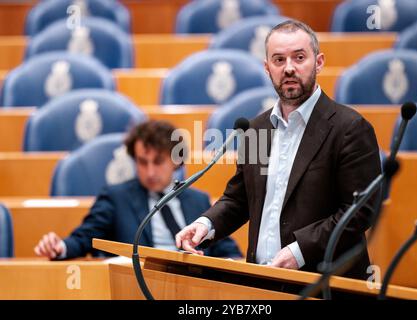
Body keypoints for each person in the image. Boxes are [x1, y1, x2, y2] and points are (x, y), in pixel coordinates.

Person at [176, 20, 381, 280]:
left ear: (318, 62)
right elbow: (239, 200)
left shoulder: (350, 128)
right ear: (267, 68)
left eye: (299, 57)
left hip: (324, 283)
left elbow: (360, 211)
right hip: (262, 281)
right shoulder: (256, 129)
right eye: (279, 60)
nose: (289, 68)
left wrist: (299, 251)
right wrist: (205, 225)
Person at [34, 120, 242, 260]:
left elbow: (227, 251)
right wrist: (59, 247)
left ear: (176, 161)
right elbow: (84, 238)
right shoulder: (116, 198)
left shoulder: (198, 200)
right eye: (142, 162)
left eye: (158, 161)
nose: (150, 172)